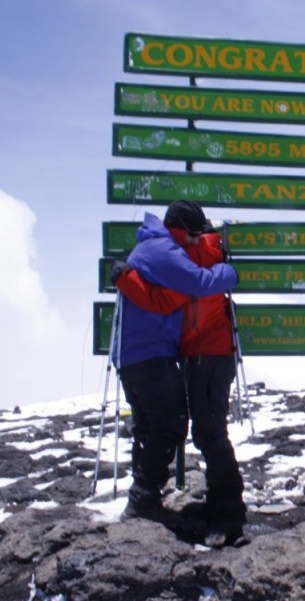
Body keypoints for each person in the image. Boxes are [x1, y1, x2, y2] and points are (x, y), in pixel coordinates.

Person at [115, 203, 247, 545]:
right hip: (170, 354)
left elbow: (175, 294)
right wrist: (229, 274)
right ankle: (149, 499)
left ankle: (225, 512)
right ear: (186, 229)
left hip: (202, 354)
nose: (194, 239)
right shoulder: (169, 252)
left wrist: (127, 280)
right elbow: (189, 287)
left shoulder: (178, 250)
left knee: (199, 431)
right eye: (193, 231)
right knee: (175, 426)